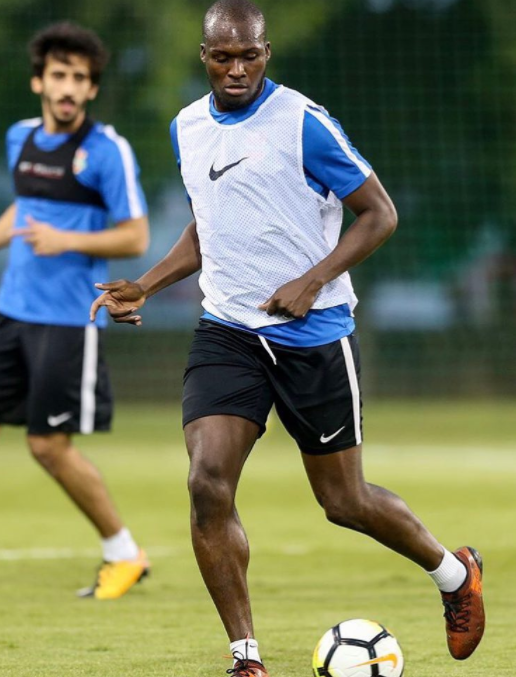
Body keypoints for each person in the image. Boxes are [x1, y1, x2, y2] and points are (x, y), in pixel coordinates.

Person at [91, 1, 485, 674]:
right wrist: (147, 285)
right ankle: (246, 657)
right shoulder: (187, 127)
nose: (236, 69)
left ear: (265, 53)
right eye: (223, 56)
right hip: (228, 332)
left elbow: (379, 214)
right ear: (204, 57)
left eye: (248, 55)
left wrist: (311, 280)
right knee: (207, 481)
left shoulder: (303, 123)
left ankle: (454, 574)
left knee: (344, 502)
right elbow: (208, 225)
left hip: (313, 335)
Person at [0, 21, 150, 602]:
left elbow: (136, 236)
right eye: (58, 75)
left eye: (79, 78)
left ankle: (124, 552)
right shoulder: (19, 138)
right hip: (9, 313)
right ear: (39, 82)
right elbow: (24, 212)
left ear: (91, 88)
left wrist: (68, 240)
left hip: (70, 319)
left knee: (48, 447)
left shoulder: (107, 151)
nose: (68, 87)